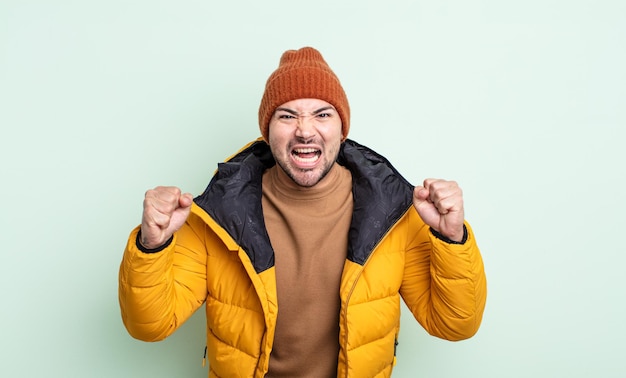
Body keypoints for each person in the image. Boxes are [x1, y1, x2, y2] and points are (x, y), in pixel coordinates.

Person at [118, 46, 487, 378]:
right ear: (267, 131)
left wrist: (451, 239)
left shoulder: (396, 214)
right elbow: (149, 326)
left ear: (342, 129)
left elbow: (455, 325)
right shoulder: (216, 217)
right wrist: (152, 246)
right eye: (287, 116)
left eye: (322, 114)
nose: (305, 131)